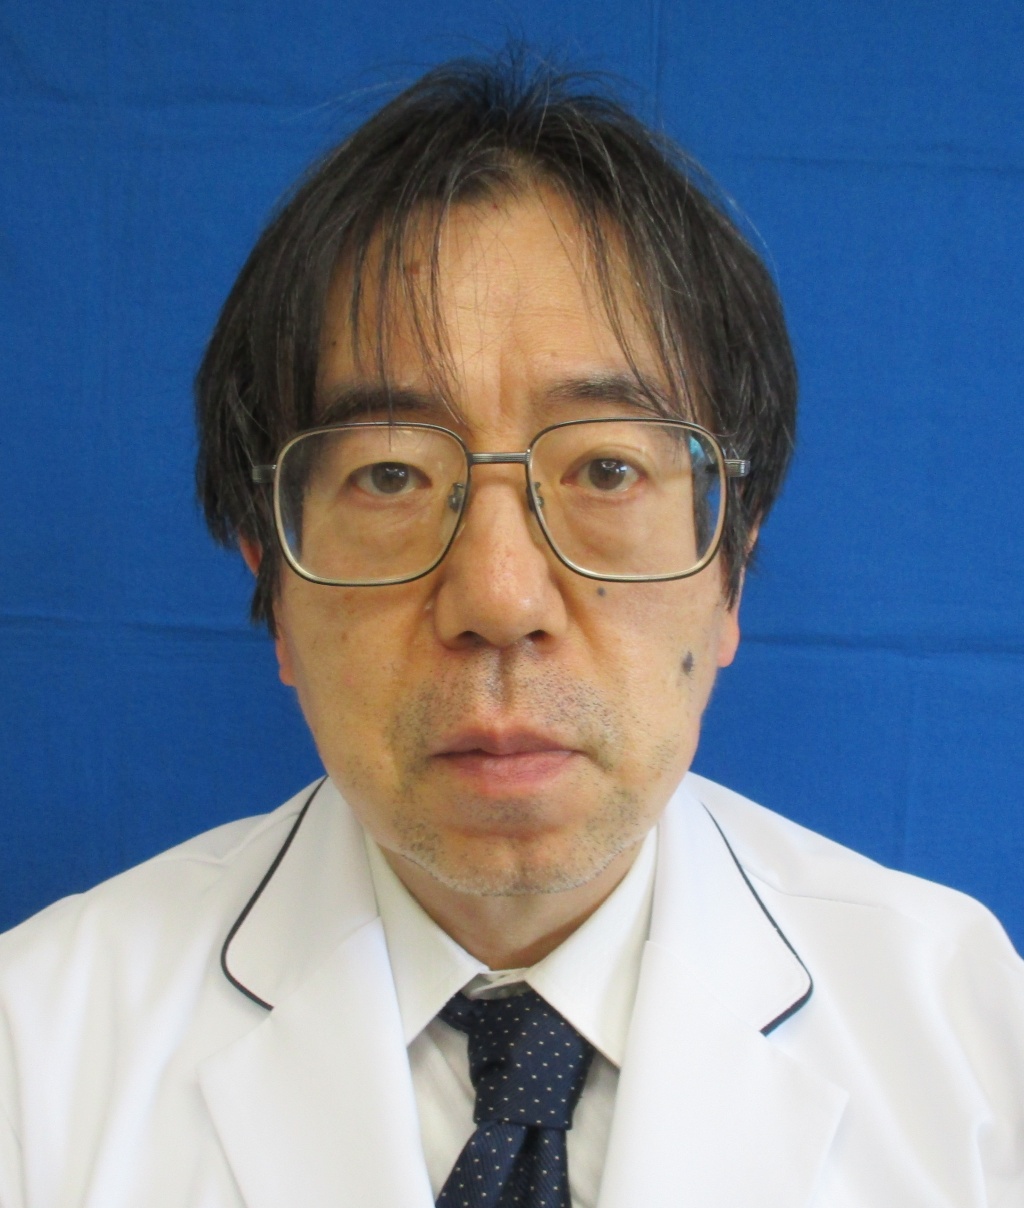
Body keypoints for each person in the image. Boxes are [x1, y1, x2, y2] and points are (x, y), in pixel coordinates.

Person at [1, 53, 1022, 1208]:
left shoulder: (976, 1054)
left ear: (730, 570)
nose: (498, 597)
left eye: (606, 467)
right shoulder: (34, 1061)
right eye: (390, 473)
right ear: (271, 580)